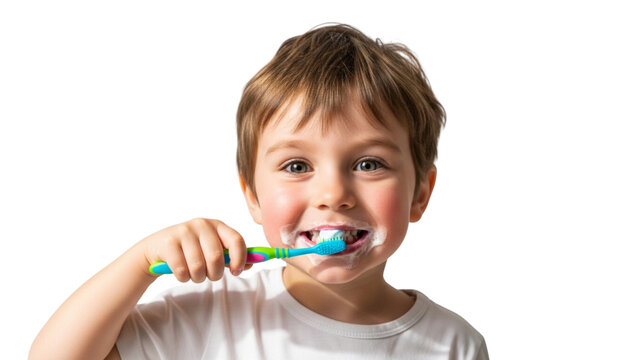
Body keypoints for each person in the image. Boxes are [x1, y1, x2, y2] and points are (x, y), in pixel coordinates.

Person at [30, 23, 489, 359]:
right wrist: (139, 265)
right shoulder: (211, 315)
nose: (333, 193)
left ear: (419, 195)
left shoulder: (455, 345)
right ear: (252, 195)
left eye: (368, 164)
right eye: (296, 165)